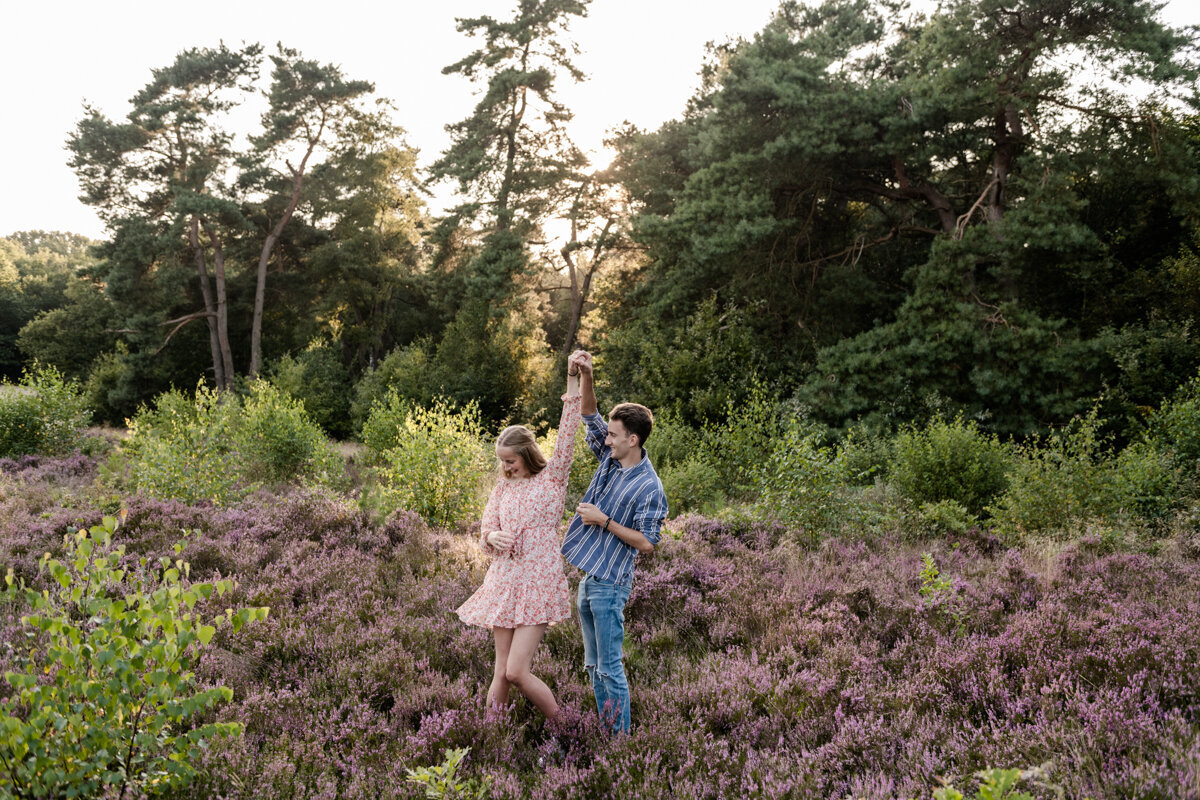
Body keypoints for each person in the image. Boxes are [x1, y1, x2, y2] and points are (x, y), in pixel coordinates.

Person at [455, 352, 588, 720]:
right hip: (504, 581)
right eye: (502, 461)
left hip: (538, 582)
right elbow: (484, 532)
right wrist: (493, 537)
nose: (506, 467)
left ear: (527, 454)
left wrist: (572, 379)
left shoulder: (553, 478)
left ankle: (564, 728)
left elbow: (569, 426)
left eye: (510, 460)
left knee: (516, 671)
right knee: (500, 671)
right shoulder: (502, 488)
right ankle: (491, 738)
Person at [561, 352, 668, 734]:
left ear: (632, 439)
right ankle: (607, 732)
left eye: (613, 434)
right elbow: (588, 415)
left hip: (611, 584)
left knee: (610, 667)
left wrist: (604, 521)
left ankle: (620, 743)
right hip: (589, 578)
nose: (605, 438)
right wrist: (586, 374)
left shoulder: (649, 486)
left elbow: (648, 542)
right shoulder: (610, 457)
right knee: (593, 667)